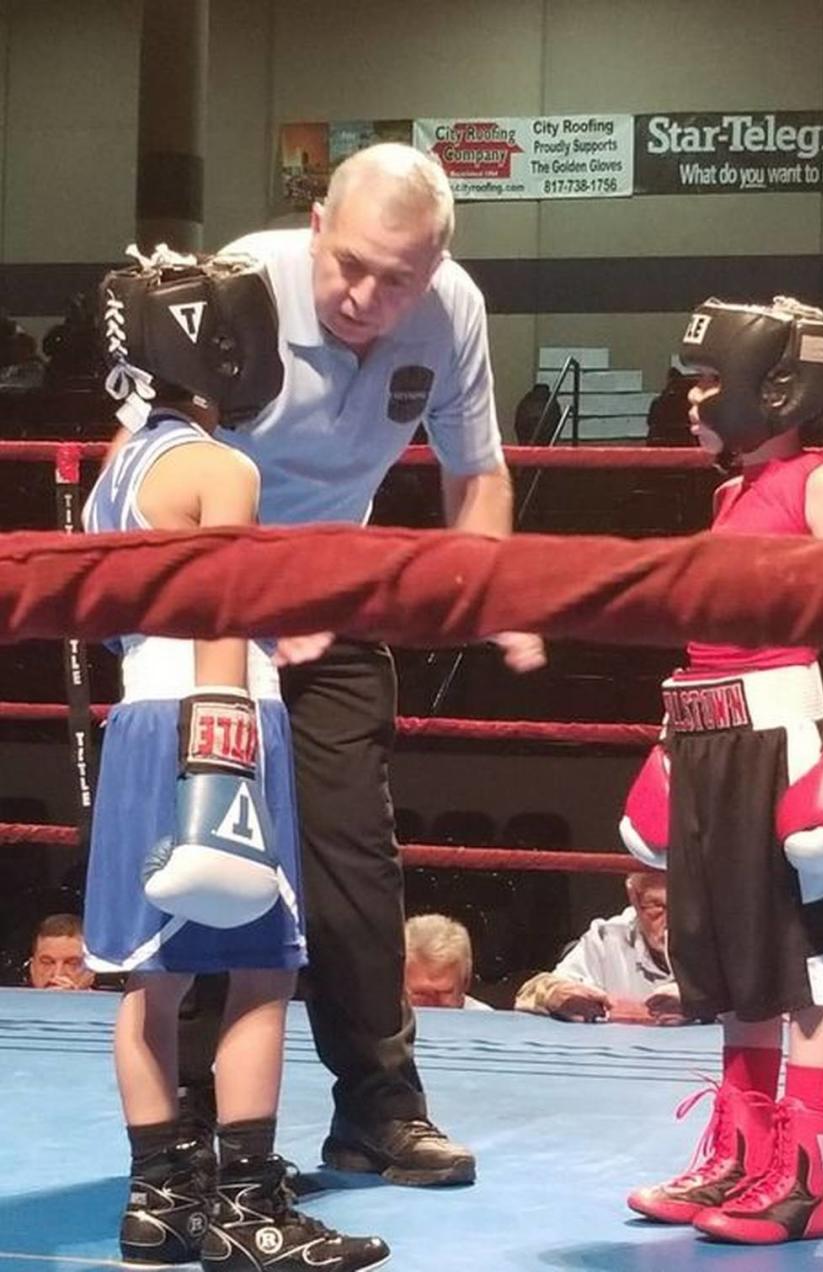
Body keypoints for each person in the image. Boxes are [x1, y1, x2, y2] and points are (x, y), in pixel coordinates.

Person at [178, 142, 545, 1189]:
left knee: (355, 869)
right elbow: (149, 468)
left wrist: (493, 592)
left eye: (400, 278)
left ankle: (379, 1113)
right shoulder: (237, 288)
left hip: (337, 602)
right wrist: (246, 588)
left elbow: (477, 474)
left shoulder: (452, 308)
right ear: (315, 229)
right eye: (351, 265)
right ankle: (199, 1128)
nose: (367, 296)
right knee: (213, 862)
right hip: (210, 599)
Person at [84, 248, 388, 1271]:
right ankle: (251, 1208)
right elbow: (221, 610)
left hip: (136, 722)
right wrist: (222, 747)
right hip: (217, 718)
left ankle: (157, 1202)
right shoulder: (223, 467)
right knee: (263, 968)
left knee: (149, 982)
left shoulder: (115, 473)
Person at [620, 296, 823, 1245]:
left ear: (770, 387)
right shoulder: (728, 495)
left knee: (806, 959)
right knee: (741, 962)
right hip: (709, 732)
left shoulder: (817, 478)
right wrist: (668, 739)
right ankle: (742, 1155)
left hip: (786, 732)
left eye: (706, 380)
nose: (694, 397)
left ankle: (810, 1179)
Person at [514, 872, 687, 1024]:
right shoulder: (608, 937)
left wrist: (699, 1002)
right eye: (657, 906)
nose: (671, 921)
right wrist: (555, 994)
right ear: (633, 897)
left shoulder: (714, 938)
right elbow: (528, 992)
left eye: (685, 905)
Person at [403, 914, 492, 1010]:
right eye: (420, 994)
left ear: (465, 983)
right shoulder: (386, 1019)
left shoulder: (490, 1022)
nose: (432, 1005)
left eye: (443, 993)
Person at [27, 913, 95, 990]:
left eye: (73, 963)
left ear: (92, 971)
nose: (57, 974)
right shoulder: (12, 1001)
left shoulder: (109, 1002)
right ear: (32, 968)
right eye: (47, 962)